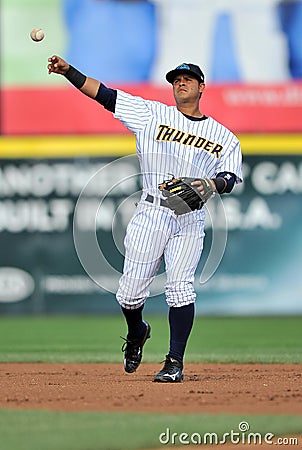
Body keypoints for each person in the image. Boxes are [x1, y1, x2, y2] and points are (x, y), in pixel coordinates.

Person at [48, 57, 243, 382]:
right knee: (129, 294)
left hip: (189, 217)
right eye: (176, 79)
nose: (181, 82)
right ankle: (137, 330)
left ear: (201, 86)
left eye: (188, 78)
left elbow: (230, 177)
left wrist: (212, 184)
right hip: (152, 211)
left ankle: (174, 362)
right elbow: (105, 95)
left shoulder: (223, 136)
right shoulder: (152, 113)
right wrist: (69, 72)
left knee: (181, 290)